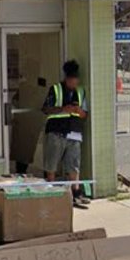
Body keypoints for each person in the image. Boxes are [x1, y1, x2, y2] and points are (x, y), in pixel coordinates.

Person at [42, 59, 89, 208]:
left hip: (74, 132)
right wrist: (63, 109)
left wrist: (78, 111)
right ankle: (50, 189)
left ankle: (75, 193)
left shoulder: (81, 91)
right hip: (56, 131)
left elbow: (84, 114)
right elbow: (46, 109)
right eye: (71, 80)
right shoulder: (55, 89)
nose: (74, 83)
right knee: (52, 163)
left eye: (76, 80)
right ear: (66, 79)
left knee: (74, 164)